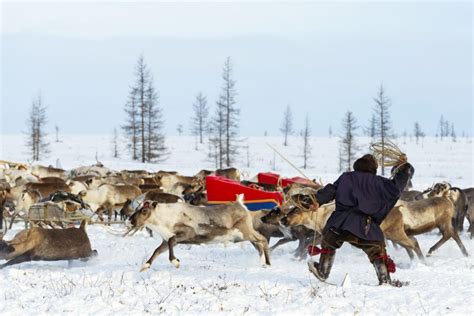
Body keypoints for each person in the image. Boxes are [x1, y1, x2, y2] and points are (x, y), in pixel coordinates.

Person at [308, 154, 414, 286]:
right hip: (366, 228)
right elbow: (396, 187)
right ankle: (385, 280)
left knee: (328, 243)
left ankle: (322, 271)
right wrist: (405, 168)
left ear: (357, 165)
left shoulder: (346, 177)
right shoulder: (380, 182)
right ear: (373, 168)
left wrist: (317, 201)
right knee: (377, 251)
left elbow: (330, 190)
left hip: (339, 223)